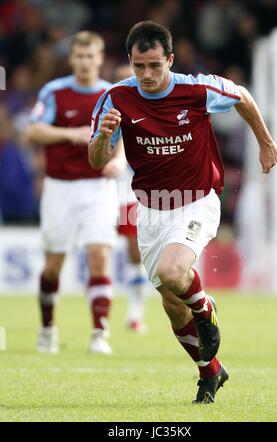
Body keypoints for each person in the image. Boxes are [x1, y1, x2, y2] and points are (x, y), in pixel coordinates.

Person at [88, 21, 277, 403]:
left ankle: (205, 307)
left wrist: (266, 143)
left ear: (170, 60)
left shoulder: (196, 88)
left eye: (155, 66)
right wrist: (102, 137)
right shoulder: (114, 98)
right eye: (139, 66)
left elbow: (242, 95)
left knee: (173, 272)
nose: (146, 75)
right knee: (173, 305)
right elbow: (96, 161)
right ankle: (210, 372)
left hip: (197, 199)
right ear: (129, 61)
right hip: (150, 210)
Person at [26, 31, 125, 355]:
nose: (84, 63)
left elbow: (127, 132)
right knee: (53, 263)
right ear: (72, 60)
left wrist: (120, 160)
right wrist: (72, 134)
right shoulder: (55, 92)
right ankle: (47, 328)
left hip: (98, 187)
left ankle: (100, 333)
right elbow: (33, 130)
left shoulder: (112, 94)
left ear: (100, 59)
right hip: (60, 187)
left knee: (99, 255)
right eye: (79, 57)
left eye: (90, 57)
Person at [114, 64, 148, 334]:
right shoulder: (102, 106)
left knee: (134, 251)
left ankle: (135, 313)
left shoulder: (148, 107)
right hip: (96, 188)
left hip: (129, 189)